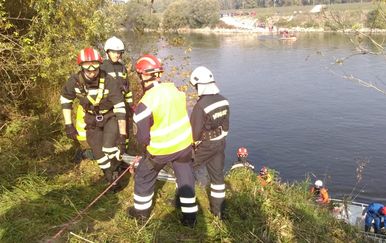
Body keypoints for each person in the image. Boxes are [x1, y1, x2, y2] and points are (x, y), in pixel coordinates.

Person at [128, 54, 197, 227]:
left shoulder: (145, 103)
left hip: (160, 150)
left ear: (142, 75)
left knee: (144, 176)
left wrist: (143, 151)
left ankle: (141, 216)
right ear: (159, 74)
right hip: (184, 146)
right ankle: (190, 220)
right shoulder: (175, 91)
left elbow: (143, 138)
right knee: (185, 179)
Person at [60, 47, 127, 190]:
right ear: (81, 67)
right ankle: (110, 177)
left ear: (99, 65)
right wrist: (68, 125)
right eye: (88, 69)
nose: (92, 72)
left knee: (109, 148)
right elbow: (66, 101)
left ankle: (116, 168)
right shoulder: (74, 82)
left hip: (110, 117)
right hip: (91, 120)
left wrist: (122, 135)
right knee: (99, 154)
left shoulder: (109, 81)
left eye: (95, 68)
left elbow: (120, 108)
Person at [190, 66, 230, 219]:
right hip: (220, 143)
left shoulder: (201, 105)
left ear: (199, 85)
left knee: (185, 169)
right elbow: (226, 126)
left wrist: (193, 147)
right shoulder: (224, 100)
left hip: (205, 145)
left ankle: (180, 201)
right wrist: (218, 139)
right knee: (217, 177)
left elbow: (194, 133)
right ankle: (218, 211)